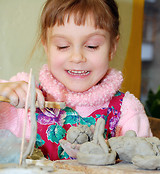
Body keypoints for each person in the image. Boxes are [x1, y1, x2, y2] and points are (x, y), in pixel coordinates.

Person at [0, 0, 152, 161]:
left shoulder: (126, 111)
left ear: (112, 48)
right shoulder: (23, 102)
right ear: (46, 47)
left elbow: (144, 173)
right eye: (63, 46)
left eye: (92, 46)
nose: (77, 57)